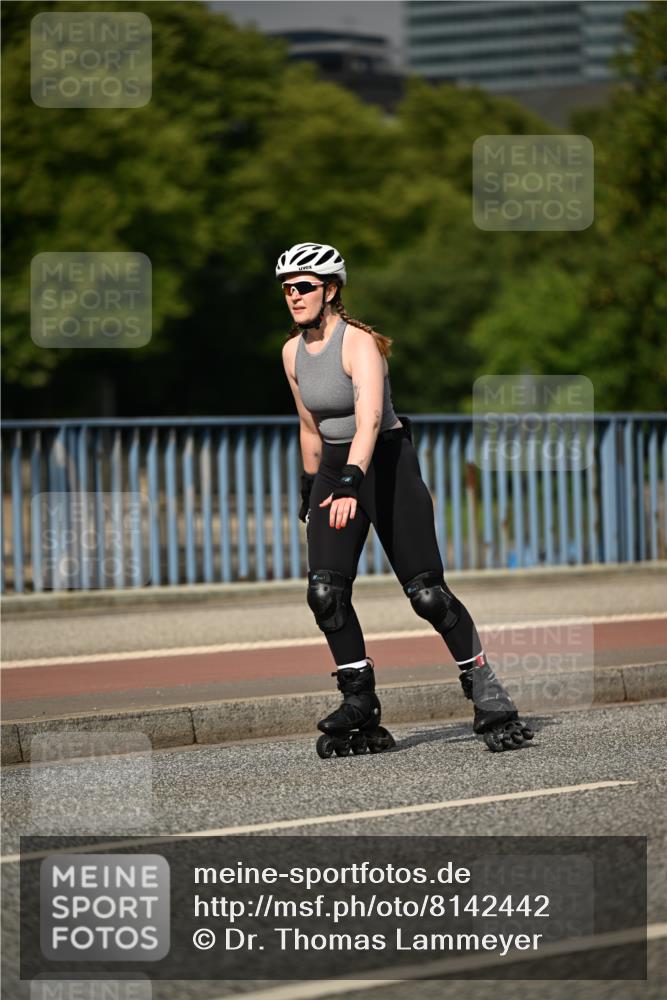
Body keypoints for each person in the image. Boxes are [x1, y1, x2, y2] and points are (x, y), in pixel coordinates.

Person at [279, 242, 534, 756]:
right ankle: (359, 699)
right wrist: (311, 485)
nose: (294, 296)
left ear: (331, 290)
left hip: (386, 465)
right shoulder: (291, 353)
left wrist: (351, 482)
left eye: (304, 286)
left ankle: (488, 692)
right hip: (334, 469)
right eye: (287, 289)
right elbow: (309, 425)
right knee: (325, 593)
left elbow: (370, 419)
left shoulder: (359, 345)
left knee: (427, 595)